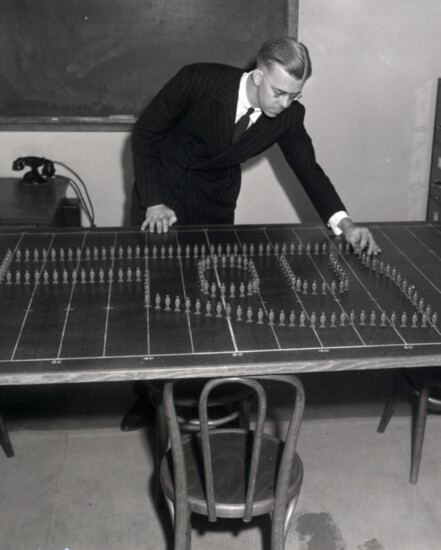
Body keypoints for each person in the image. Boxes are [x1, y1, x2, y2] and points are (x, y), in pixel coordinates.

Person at [121, 36, 381, 431]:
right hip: (162, 199)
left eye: (295, 95)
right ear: (258, 75)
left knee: (207, 300)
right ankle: (147, 397)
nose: (286, 103)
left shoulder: (288, 115)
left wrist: (344, 222)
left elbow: (308, 169)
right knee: (154, 306)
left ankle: (207, 393)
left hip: (215, 204)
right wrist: (154, 201)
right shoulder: (199, 81)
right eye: (280, 92)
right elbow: (145, 135)